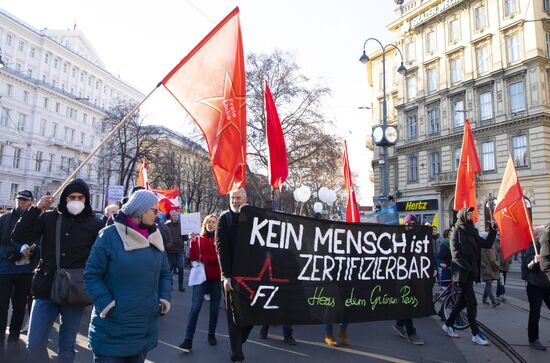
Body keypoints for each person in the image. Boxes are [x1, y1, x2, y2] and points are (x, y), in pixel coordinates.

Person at [11, 179, 104, 362]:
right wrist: (35, 209)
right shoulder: (48, 218)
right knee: (35, 343)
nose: (76, 201)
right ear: (64, 198)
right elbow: (18, 236)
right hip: (46, 286)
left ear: (86, 200)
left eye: (80, 197)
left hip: (75, 290)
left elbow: (100, 258)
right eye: (72, 197)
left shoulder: (94, 224)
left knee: (67, 346)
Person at [84, 189, 172, 363]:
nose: (157, 215)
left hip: (142, 334)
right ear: (140, 211)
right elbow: (91, 276)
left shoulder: (155, 237)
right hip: (111, 333)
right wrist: (107, 305)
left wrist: (163, 299)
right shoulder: (109, 235)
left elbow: (165, 273)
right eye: (154, 211)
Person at [441, 207, 497, 346]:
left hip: (471, 273)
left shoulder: (473, 231)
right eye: (469, 214)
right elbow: (456, 256)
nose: (472, 215)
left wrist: (493, 230)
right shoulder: (456, 233)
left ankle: (448, 324)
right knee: (472, 302)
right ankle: (475, 333)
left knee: (463, 302)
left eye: (472, 214)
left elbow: (486, 244)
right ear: (462, 216)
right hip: (461, 274)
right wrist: (470, 268)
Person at [215, 188, 254, 363]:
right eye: (232, 197)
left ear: (245, 199)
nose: (235, 200)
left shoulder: (253, 217)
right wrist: (226, 276)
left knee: (252, 313)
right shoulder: (224, 218)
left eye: (238, 197)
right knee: (234, 315)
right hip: (232, 277)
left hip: (252, 276)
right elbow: (221, 249)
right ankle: (236, 352)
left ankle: (239, 339)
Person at [0, 190, 37, 352]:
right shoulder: (5, 219)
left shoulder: (36, 220)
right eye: (20, 200)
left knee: (20, 306)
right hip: (4, 270)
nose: (22, 202)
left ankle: (14, 338)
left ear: (31, 202)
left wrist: (34, 250)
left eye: (25, 200)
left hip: (25, 271)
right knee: (2, 306)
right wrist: (12, 253)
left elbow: (41, 242)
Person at [179, 214, 222, 352]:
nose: (210, 224)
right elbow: (193, 257)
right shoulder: (197, 239)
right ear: (204, 224)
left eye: (213, 222)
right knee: (195, 307)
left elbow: (220, 258)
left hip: (216, 279)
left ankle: (211, 334)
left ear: (217, 225)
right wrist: (192, 243)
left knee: (214, 309)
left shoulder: (221, 240)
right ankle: (188, 339)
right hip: (200, 279)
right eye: (208, 222)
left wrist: (204, 257)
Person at [393, 214, 424, 345]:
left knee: (409, 302)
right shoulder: (400, 238)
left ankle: (399, 324)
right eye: (408, 224)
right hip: (402, 275)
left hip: (413, 275)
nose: (410, 227)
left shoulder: (419, 239)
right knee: (407, 302)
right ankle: (411, 333)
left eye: (413, 224)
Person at [521, 226, 550, 351]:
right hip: (535, 285)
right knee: (535, 313)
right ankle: (533, 339)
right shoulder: (532, 247)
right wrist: (534, 261)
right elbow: (528, 266)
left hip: (548, 284)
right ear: (538, 236)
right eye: (543, 234)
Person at [166, 210, 186, 292]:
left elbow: (185, 238)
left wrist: (189, 234)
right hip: (170, 251)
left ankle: (180, 286)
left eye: (176, 216)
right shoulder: (167, 226)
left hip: (179, 250)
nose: (175, 217)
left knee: (181, 268)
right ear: (171, 216)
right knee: (169, 269)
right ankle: (169, 285)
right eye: (174, 215)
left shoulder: (182, 226)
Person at [479, 231, 500, 308]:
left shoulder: (492, 245)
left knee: (489, 283)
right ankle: (493, 301)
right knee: (488, 283)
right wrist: (483, 265)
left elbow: (496, 254)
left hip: (492, 267)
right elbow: (478, 259)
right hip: (484, 268)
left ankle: (484, 298)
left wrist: (497, 263)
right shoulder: (479, 246)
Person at [494, 234, 511, 302]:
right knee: (501, 280)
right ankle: (501, 294)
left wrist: (510, 260)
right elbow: (495, 253)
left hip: (506, 264)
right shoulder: (496, 242)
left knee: (503, 280)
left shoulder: (507, 242)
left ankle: (498, 294)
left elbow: (510, 252)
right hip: (499, 265)